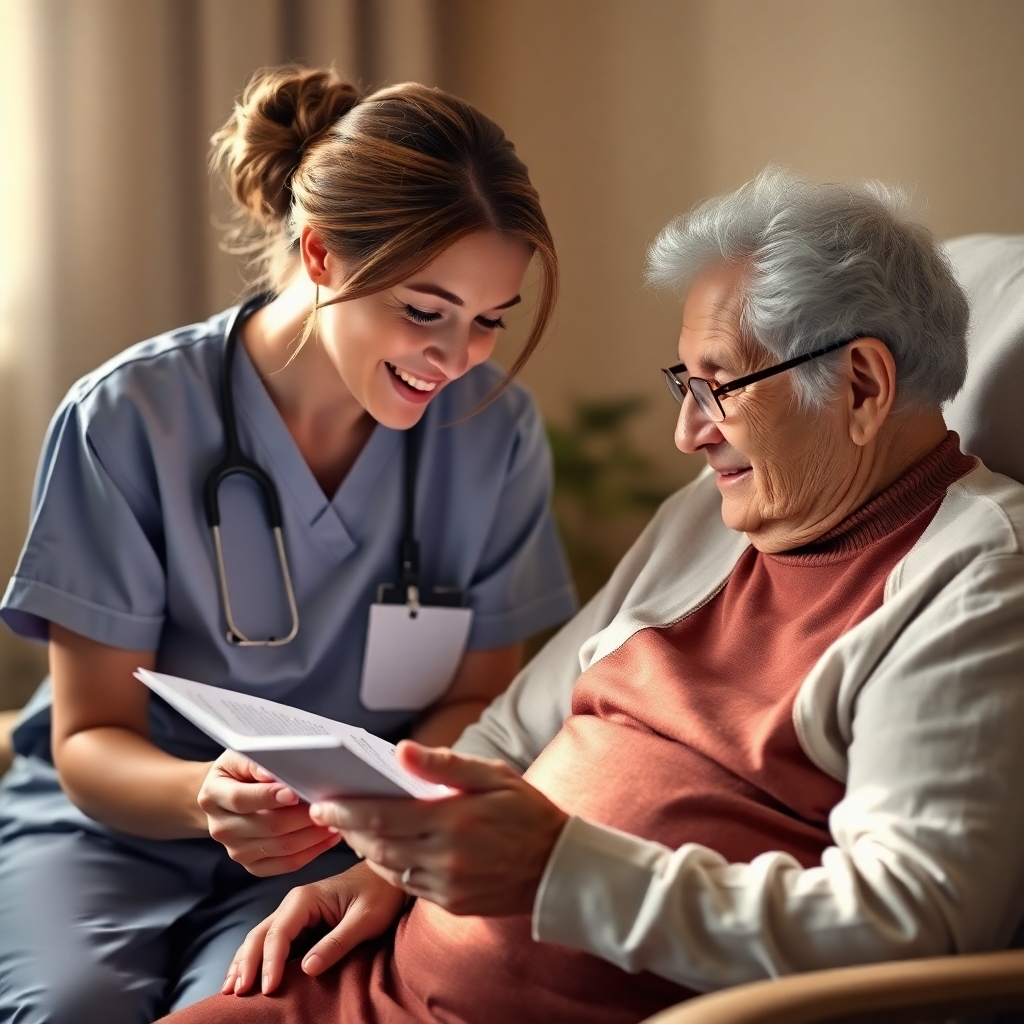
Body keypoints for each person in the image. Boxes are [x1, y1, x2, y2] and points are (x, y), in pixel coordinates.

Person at [157, 167, 1024, 1024]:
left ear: (861, 385)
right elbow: (511, 732)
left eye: (716, 386)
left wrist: (558, 871)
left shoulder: (976, 576)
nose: (688, 435)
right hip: (370, 983)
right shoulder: (714, 518)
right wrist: (384, 872)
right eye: (683, 385)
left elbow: (917, 924)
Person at [0, 65, 578, 1023]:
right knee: (74, 1009)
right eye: (424, 311)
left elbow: (476, 698)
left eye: (488, 322)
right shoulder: (130, 419)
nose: (455, 358)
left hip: (338, 844)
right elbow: (89, 740)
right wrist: (208, 798)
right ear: (319, 255)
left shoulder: (493, 433)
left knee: (250, 1010)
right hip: (113, 832)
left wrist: (375, 809)